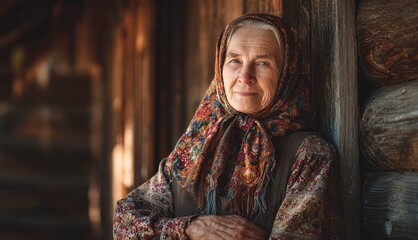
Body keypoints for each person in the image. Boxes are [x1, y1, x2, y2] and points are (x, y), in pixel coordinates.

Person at [113, 13, 341, 240]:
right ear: (220, 68)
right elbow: (124, 224)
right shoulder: (196, 146)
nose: (245, 76)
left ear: (287, 73)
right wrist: (192, 228)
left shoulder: (309, 154)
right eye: (235, 60)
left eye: (263, 63)